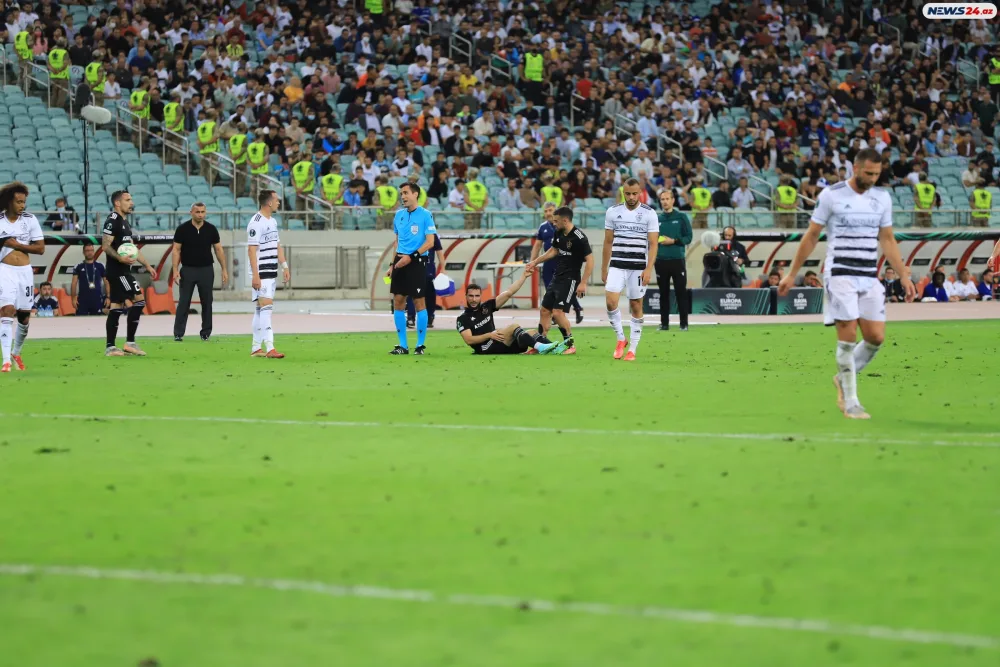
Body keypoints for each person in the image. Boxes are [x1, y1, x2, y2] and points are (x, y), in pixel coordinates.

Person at [778, 148, 916, 420]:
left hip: (868, 274)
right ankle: (851, 402)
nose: (873, 178)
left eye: (877, 174)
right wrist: (791, 273)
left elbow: (887, 239)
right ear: (856, 168)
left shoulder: (882, 197)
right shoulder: (832, 195)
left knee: (876, 337)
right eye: (868, 173)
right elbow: (811, 235)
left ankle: (842, 378)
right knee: (848, 336)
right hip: (840, 274)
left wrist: (903, 275)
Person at [602, 178, 659, 361]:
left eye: (635, 193)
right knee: (611, 302)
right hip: (617, 265)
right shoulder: (612, 211)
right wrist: (604, 267)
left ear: (640, 192)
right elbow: (608, 241)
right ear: (623, 192)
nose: (632, 197)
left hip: (638, 268)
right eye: (628, 193)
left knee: (636, 305)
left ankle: (633, 349)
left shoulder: (649, 213)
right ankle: (621, 339)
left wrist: (649, 268)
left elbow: (653, 244)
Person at [526, 206, 594, 355]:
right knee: (544, 310)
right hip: (557, 276)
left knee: (557, 313)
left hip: (570, 279)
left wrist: (583, 283)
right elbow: (553, 251)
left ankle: (570, 345)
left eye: (556, 221)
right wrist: (535, 262)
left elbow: (590, 260)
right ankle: (541, 345)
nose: (554, 223)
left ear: (565, 220)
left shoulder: (579, 237)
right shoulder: (559, 232)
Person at [103, 190, 158, 357]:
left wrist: (148, 265)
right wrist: (120, 258)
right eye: (128, 200)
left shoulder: (125, 223)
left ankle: (111, 347)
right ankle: (130, 342)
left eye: (131, 199)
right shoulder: (112, 220)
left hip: (121, 270)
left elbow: (133, 250)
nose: (131, 202)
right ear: (118, 203)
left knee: (116, 307)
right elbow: (105, 245)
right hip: (118, 271)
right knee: (139, 300)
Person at [457, 272, 564, 356]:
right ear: (466, 296)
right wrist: (489, 335)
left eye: (477, 296)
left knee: (532, 332)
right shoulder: (463, 318)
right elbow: (469, 340)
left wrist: (524, 276)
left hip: (500, 343)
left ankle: (557, 348)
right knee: (513, 327)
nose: (474, 299)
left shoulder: (486, 307)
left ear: (480, 296)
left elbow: (509, 293)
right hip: (485, 348)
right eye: (471, 296)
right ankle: (540, 347)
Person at [387, 182, 437, 355]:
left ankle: (420, 345)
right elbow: (397, 241)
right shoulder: (398, 215)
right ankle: (403, 346)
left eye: (406, 193)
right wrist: (392, 265)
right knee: (398, 301)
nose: (403, 196)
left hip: (417, 261)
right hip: (400, 260)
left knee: (418, 302)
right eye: (401, 193)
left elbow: (430, 242)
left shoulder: (425, 215)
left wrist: (411, 257)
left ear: (416, 194)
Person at [0, 182, 45, 372]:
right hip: (5, 270)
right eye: (18, 202)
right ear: (9, 202)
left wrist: (16, 244)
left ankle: (16, 352)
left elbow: (40, 248)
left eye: (24, 202)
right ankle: (5, 360)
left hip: (25, 272)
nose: (22, 206)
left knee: (24, 317)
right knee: (7, 310)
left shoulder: (30, 219)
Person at [172, 202, 228, 341]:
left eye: (203, 212)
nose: (200, 214)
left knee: (207, 302)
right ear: (191, 212)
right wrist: (175, 270)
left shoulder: (211, 229)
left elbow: (218, 249)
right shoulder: (182, 229)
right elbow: (176, 250)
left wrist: (224, 269)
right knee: (184, 302)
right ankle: (178, 333)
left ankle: (206, 333)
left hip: (206, 270)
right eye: (197, 212)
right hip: (188, 270)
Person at [247, 190, 290, 359]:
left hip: (271, 271)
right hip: (262, 272)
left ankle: (256, 347)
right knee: (267, 309)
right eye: (277, 200)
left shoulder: (272, 221)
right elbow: (251, 250)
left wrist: (284, 266)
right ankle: (270, 348)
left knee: (260, 309)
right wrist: (255, 275)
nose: (279, 203)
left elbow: (277, 245)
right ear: (269, 203)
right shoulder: (256, 222)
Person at [531, 202, 584, 328]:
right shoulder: (542, 227)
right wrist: (532, 262)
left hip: (562, 262)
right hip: (548, 262)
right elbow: (537, 245)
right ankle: (566, 310)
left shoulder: (564, 227)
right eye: (546, 211)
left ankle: (574, 308)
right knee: (551, 288)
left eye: (550, 210)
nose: (548, 213)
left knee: (563, 289)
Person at [655, 189, 693, 331]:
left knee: (680, 293)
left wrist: (674, 241)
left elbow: (689, 237)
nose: (664, 201)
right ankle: (664, 324)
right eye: (662, 199)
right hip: (661, 261)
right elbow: (651, 238)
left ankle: (684, 324)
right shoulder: (657, 219)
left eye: (667, 199)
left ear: (673, 200)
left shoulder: (681, 217)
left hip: (677, 260)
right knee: (663, 294)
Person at [405, 232, 444, 328]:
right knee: (413, 294)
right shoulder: (412, 234)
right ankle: (412, 317)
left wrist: (443, 269)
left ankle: (428, 318)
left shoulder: (432, 235)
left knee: (429, 294)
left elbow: (439, 252)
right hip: (414, 269)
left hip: (428, 270)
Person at [71, 242, 110, 315]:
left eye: (91, 250)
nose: (90, 253)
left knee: (96, 322)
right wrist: (73, 298)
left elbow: (106, 282)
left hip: (97, 300)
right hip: (82, 300)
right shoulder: (78, 266)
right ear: (83, 252)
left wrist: (108, 297)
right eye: (87, 251)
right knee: (80, 322)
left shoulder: (100, 266)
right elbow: (74, 283)